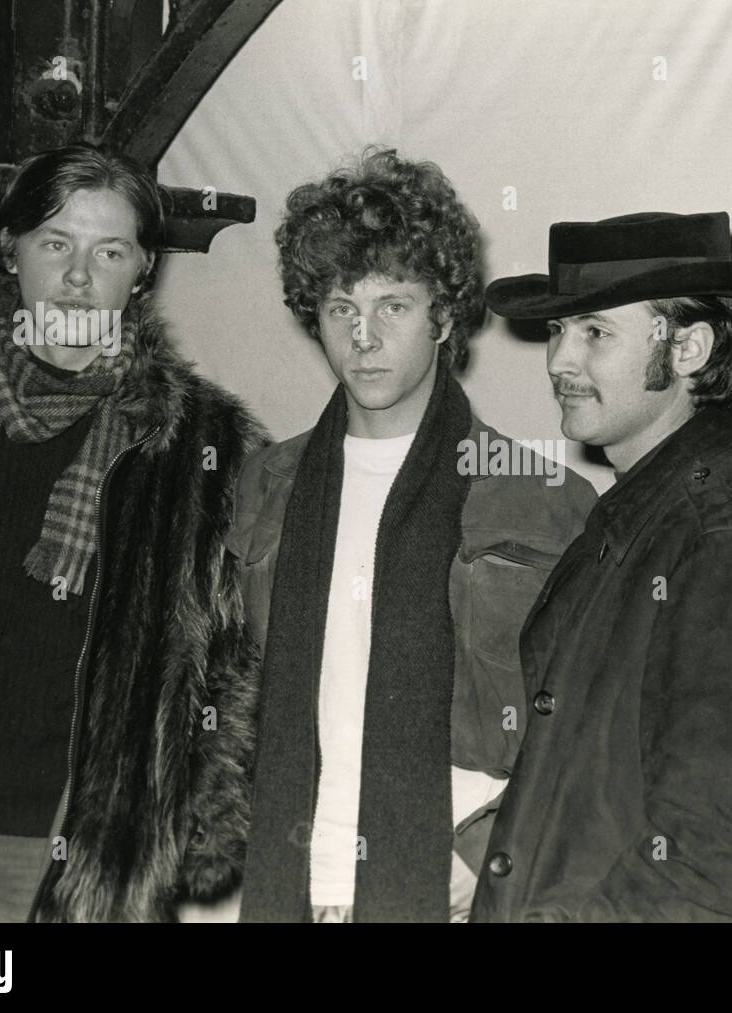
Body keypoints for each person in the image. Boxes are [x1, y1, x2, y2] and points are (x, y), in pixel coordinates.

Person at [0, 143, 266, 922]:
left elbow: (231, 663)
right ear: (10, 251)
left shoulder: (198, 444)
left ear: (142, 269)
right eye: (56, 244)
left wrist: (196, 823)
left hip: (64, 855)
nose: (79, 277)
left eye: (108, 250)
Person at [230, 148, 595, 923]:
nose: (363, 336)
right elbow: (225, 694)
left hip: (456, 888)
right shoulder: (264, 486)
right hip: (296, 884)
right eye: (339, 308)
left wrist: (488, 850)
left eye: (392, 305)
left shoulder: (541, 497)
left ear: (445, 315)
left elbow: (587, 717)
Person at [470, 211, 732, 921]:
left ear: (687, 348)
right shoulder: (640, 512)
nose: (560, 359)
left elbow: (707, 863)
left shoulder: (720, 540)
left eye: (595, 332)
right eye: (557, 330)